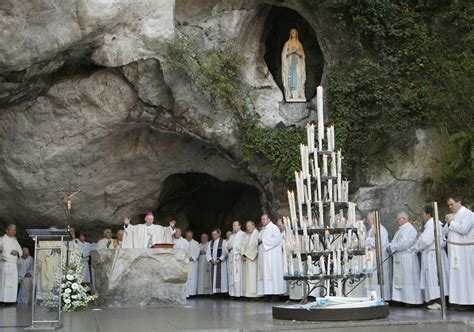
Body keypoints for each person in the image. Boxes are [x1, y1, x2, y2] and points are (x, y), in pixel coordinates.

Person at [413, 206, 449, 309]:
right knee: (434, 277)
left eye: (423, 213)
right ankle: (438, 301)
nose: (422, 216)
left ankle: (439, 302)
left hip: (433, 255)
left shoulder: (432, 224)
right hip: (433, 253)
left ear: (428, 214)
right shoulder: (433, 224)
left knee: (434, 278)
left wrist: (417, 246)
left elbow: (425, 241)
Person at [388, 212, 423, 305]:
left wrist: (392, 247)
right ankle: (402, 299)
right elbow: (395, 241)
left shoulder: (409, 229)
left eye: (398, 219)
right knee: (402, 279)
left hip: (408, 258)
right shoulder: (400, 230)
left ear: (403, 219)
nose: (397, 221)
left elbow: (405, 243)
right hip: (400, 257)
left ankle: (411, 300)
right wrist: (391, 245)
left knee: (408, 279)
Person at [445, 196, 474, 306]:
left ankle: (469, 302)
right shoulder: (455, 215)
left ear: (459, 202)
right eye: (449, 205)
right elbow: (447, 232)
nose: (450, 207)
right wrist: (449, 222)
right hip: (457, 252)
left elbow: (464, 229)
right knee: (458, 276)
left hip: (465, 251)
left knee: (466, 276)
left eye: (452, 204)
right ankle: (460, 301)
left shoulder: (468, 214)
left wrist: (451, 222)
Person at [257, 214, 286, 299]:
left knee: (273, 274)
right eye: (262, 219)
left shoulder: (274, 228)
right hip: (264, 256)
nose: (263, 221)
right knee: (265, 275)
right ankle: (268, 294)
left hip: (272, 257)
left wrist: (263, 241)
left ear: (269, 219)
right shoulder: (262, 230)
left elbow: (277, 239)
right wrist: (259, 241)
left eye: (264, 219)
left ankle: (275, 294)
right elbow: (259, 240)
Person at [365, 212, 392, 301]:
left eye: (369, 219)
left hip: (379, 257)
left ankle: (382, 297)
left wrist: (367, 240)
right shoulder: (371, 229)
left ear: (374, 219)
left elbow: (378, 242)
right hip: (372, 257)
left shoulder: (381, 229)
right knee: (373, 280)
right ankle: (374, 297)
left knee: (379, 279)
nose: (368, 221)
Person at [0, 224, 22, 303]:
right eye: (12, 230)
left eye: (15, 230)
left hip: (13, 265)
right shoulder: (1, 239)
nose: (14, 231)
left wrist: (18, 252)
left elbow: (20, 250)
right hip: (5, 264)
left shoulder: (15, 240)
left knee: (13, 283)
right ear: (7, 230)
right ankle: (2, 300)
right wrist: (10, 252)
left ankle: (11, 300)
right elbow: (1, 250)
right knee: (4, 282)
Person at [242, 221, 261, 298]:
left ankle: (255, 295)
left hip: (253, 259)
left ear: (253, 226)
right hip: (247, 258)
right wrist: (242, 254)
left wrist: (245, 254)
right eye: (247, 226)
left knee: (253, 276)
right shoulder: (247, 235)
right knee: (248, 277)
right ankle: (248, 294)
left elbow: (254, 246)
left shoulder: (256, 234)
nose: (248, 228)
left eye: (249, 226)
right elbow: (243, 245)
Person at [226, 221, 246, 298]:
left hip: (238, 258)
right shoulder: (232, 236)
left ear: (239, 226)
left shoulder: (243, 234)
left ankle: (239, 294)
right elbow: (228, 245)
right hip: (232, 258)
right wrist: (228, 249)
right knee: (232, 276)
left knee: (238, 276)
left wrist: (233, 247)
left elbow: (243, 245)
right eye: (233, 225)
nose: (233, 227)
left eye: (235, 225)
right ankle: (233, 293)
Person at [206, 229, 228, 294]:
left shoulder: (224, 242)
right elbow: (208, 253)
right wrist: (211, 260)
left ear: (219, 234)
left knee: (222, 278)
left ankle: (222, 293)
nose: (213, 236)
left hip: (221, 264)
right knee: (214, 278)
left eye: (215, 234)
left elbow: (225, 253)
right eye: (212, 234)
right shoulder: (210, 243)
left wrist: (219, 260)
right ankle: (215, 292)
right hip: (213, 263)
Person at [185, 230, 200, 297]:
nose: (188, 237)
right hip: (185, 263)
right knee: (186, 278)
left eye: (190, 236)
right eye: (187, 236)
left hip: (193, 263)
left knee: (193, 278)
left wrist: (191, 258)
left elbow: (197, 252)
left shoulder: (196, 243)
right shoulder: (183, 242)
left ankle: (192, 293)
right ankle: (186, 293)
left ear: (192, 235)